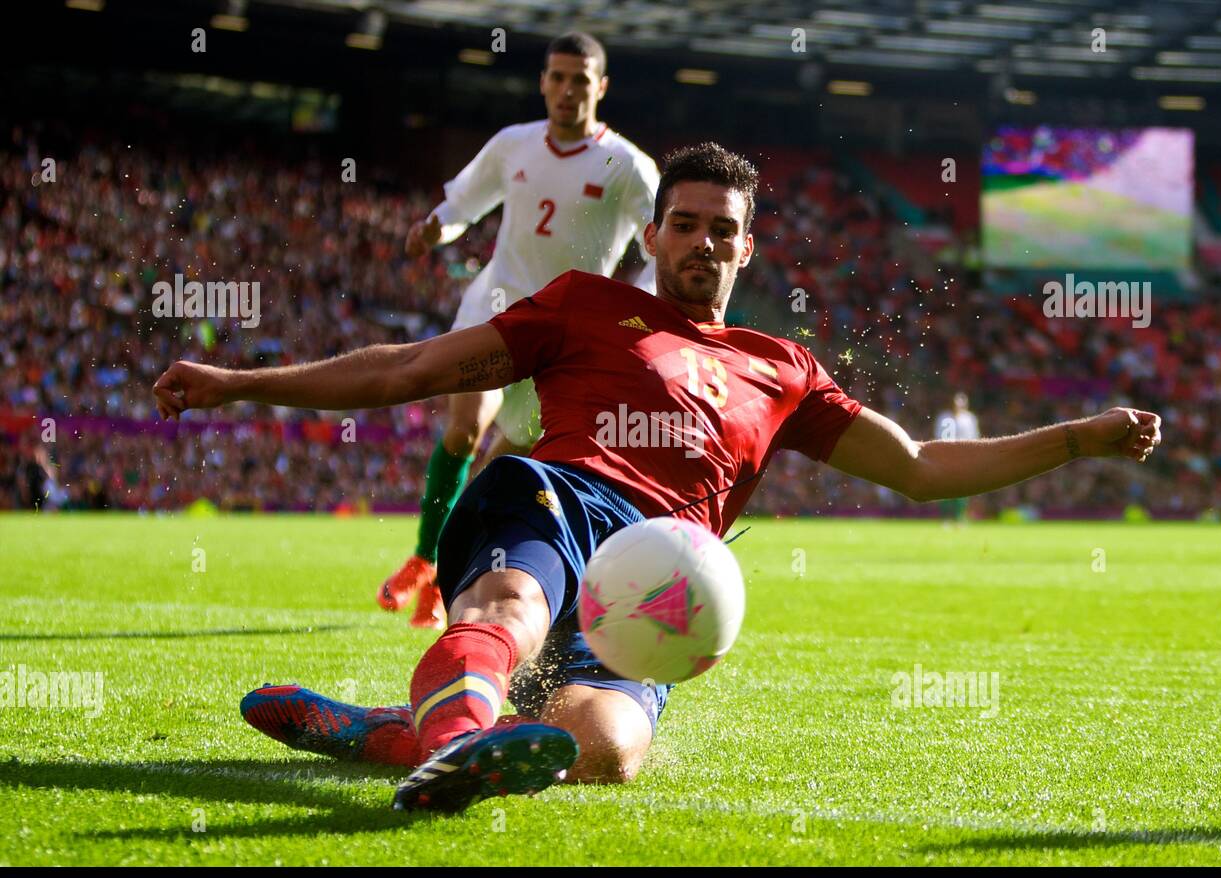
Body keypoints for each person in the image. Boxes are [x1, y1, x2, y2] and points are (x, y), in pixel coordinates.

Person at [153, 143, 1162, 814]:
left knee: (606, 751)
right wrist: (242, 382)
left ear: (748, 244)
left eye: (724, 228)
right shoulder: (584, 304)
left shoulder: (783, 368)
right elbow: (411, 368)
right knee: (509, 606)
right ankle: (455, 741)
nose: (703, 242)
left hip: (666, 579)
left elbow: (919, 466)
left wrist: (1075, 437)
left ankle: (392, 731)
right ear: (654, 235)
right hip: (556, 498)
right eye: (684, 223)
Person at [384, 32, 659, 629]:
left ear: (601, 87)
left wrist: (637, 308)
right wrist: (435, 229)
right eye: (557, 77)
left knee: (503, 463)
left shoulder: (629, 166)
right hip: (495, 306)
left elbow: (657, 244)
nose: (566, 90)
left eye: (580, 80)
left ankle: (449, 571)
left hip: (565, 338)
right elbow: (462, 203)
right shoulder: (512, 144)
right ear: (543, 82)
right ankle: (422, 559)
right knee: (463, 428)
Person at [934, 392, 980, 522]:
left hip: (963, 456)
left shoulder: (969, 418)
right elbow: (938, 436)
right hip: (946, 455)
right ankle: (945, 518)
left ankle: (960, 517)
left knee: (962, 488)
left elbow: (973, 437)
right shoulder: (944, 417)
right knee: (944, 487)